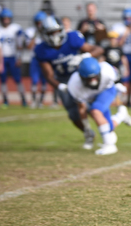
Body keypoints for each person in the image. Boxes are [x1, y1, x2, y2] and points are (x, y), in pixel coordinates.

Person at [35, 16, 104, 149]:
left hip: (80, 76)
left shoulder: (72, 38)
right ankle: (88, 133)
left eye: (55, 31)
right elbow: (49, 75)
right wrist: (61, 86)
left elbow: (99, 49)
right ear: (44, 34)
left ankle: (107, 130)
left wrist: (85, 56)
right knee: (73, 113)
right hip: (63, 80)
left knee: (93, 107)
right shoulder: (42, 50)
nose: (54, 35)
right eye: (50, 33)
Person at [68, 57, 131, 155]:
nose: (93, 81)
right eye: (89, 79)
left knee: (95, 111)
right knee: (108, 127)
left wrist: (119, 88)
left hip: (107, 90)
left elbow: (117, 80)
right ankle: (121, 115)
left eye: (94, 77)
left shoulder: (107, 70)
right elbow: (81, 108)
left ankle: (109, 145)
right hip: (93, 97)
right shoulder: (74, 84)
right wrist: (87, 128)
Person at [0, 9, 27, 107]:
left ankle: (23, 99)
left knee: (18, 79)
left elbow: (21, 43)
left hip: (13, 57)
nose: (6, 20)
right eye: (4, 18)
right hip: (2, 57)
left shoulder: (16, 28)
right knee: (2, 80)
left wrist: (19, 57)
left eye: (7, 18)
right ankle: (5, 100)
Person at [24, 11, 48, 108]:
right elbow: (29, 46)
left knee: (44, 81)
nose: (40, 24)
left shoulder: (48, 31)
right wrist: (35, 36)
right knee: (34, 80)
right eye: (38, 22)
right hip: (35, 59)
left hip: (46, 59)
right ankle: (33, 100)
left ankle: (41, 101)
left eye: (41, 22)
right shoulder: (30, 31)